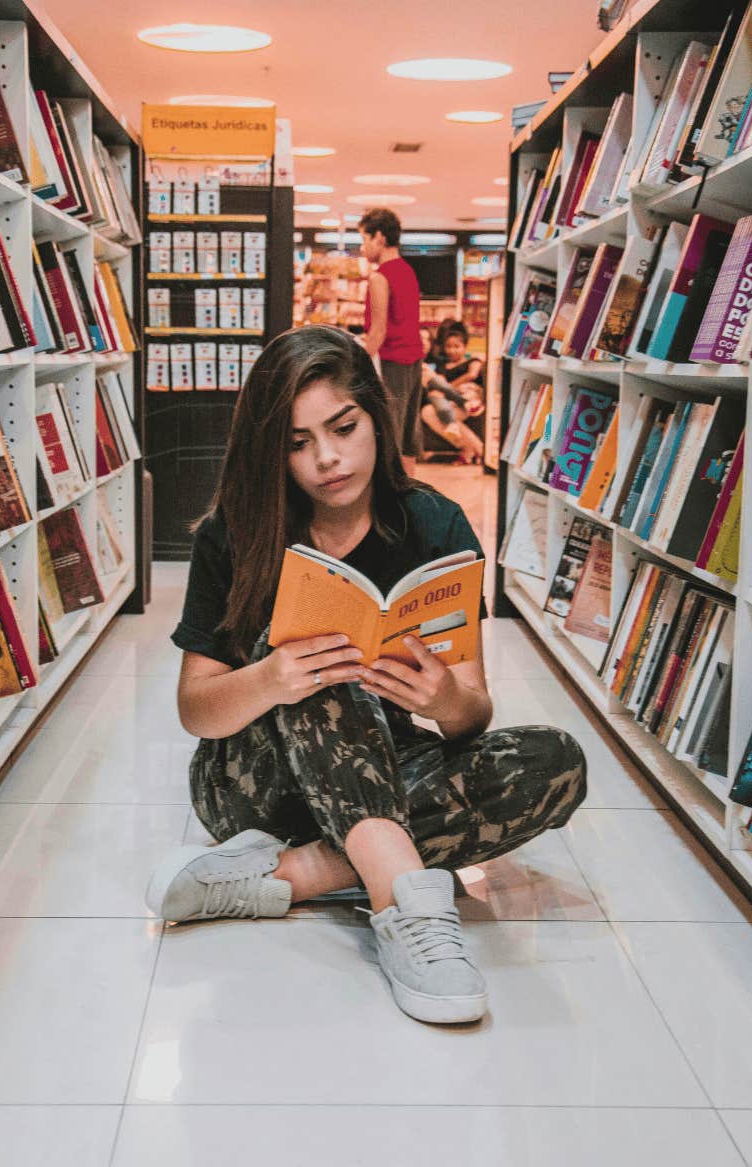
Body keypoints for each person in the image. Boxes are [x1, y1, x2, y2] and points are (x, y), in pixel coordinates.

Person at [146, 325, 587, 1026]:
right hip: (251, 789)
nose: (327, 457)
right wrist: (272, 678)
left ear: (375, 418)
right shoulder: (231, 533)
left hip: (379, 765)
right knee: (323, 652)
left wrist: (443, 699)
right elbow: (197, 711)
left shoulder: (436, 525)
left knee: (555, 762)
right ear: (272, 450)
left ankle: (291, 876)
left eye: (343, 427)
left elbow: (472, 715)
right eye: (297, 442)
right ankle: (407, 907)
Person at [358, 207, 423, 474]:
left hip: (392, 363)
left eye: (364, 239)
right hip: (414, 361)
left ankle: (390, 502)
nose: (362, 248)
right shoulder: (408, 271)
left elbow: (378, 331)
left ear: (380, 238)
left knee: (389, 437)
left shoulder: (379, 276)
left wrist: (357, 367)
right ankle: (409, 499)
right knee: (408, 438)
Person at [421, 322, 485, 464]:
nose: (452, 351)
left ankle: (478, 450)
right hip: (448, 402)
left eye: (456, 346)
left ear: (464, 346)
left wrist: (449, 387)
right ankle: (471, 448)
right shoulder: (442, 366)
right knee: (428, 411)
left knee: (431, 413)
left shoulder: (474, 360)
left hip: (468, 401)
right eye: (449, 347)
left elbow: (472, 375)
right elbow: (439, 383)